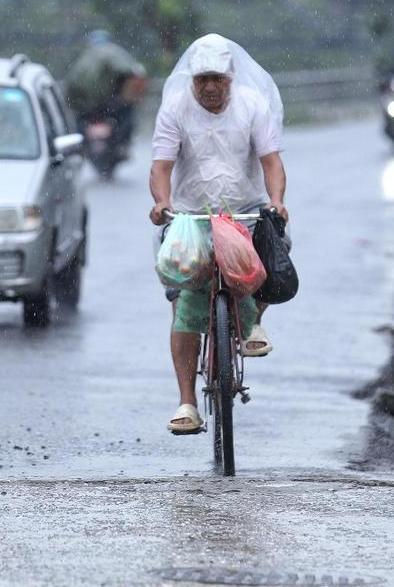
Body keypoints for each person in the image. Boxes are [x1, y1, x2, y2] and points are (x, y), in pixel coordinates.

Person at [148, 33, 289, 434]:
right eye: (201, 80)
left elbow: (271, 161)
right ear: (191, 80)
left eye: (217, 80)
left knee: (273, 263)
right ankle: (187, 402)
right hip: (190, 218)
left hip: (245, 214)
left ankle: (252, 323)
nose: (209, 88)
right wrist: (162, 203)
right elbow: (161, 166)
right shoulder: (175, 108)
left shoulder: (252, 105)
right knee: (184, 306)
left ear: (231, 77)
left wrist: (276, 200)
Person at [63, 30, 147, 146]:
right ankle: (123, 143)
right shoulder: (114, 52)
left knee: (76, 121)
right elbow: (136, 72)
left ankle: (80, 144)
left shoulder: (84, 56)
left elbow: (70, 85)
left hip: (86, 107)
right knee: (128, 112)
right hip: (109, 106)